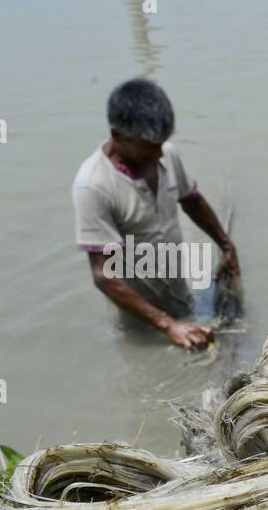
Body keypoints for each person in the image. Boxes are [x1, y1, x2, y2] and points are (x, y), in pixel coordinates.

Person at [72, 79, 239, 350]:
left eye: (163, 143)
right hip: (141, 318)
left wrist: (226, 245)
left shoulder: (165, 154)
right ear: (118, 137)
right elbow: (104, 274)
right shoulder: (93, 186)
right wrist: (166, 325)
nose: (160, 152)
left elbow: (191, 200)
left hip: (178, 288)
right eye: (149, 146)